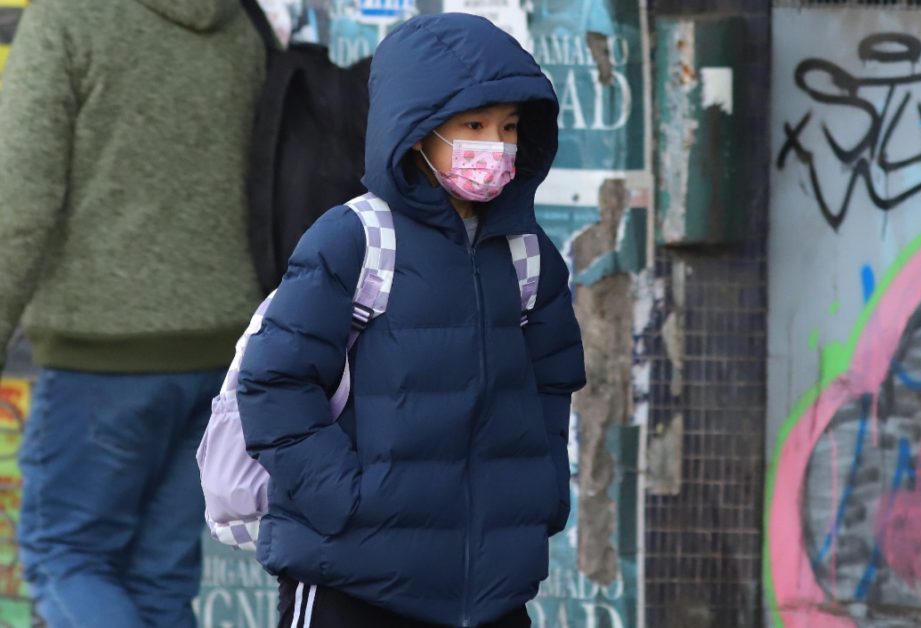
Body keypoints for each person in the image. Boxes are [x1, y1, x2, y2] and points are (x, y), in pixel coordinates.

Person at [237, 12, 586, 628]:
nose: (495, 145)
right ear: (417, 130)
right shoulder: (352, 240)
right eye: (473, 124)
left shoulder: (530, 256)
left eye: (508, 126)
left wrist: (542, 497)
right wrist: (347, 500)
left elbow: (550, 386)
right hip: (351, 581)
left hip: (490, 592)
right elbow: (274, 386)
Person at [0, 0, 266, 625]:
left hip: (104, 352)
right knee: (159, 583)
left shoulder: (68, 20)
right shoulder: (240, 25)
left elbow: (19, 205)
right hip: (221, 355)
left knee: (63, 558)